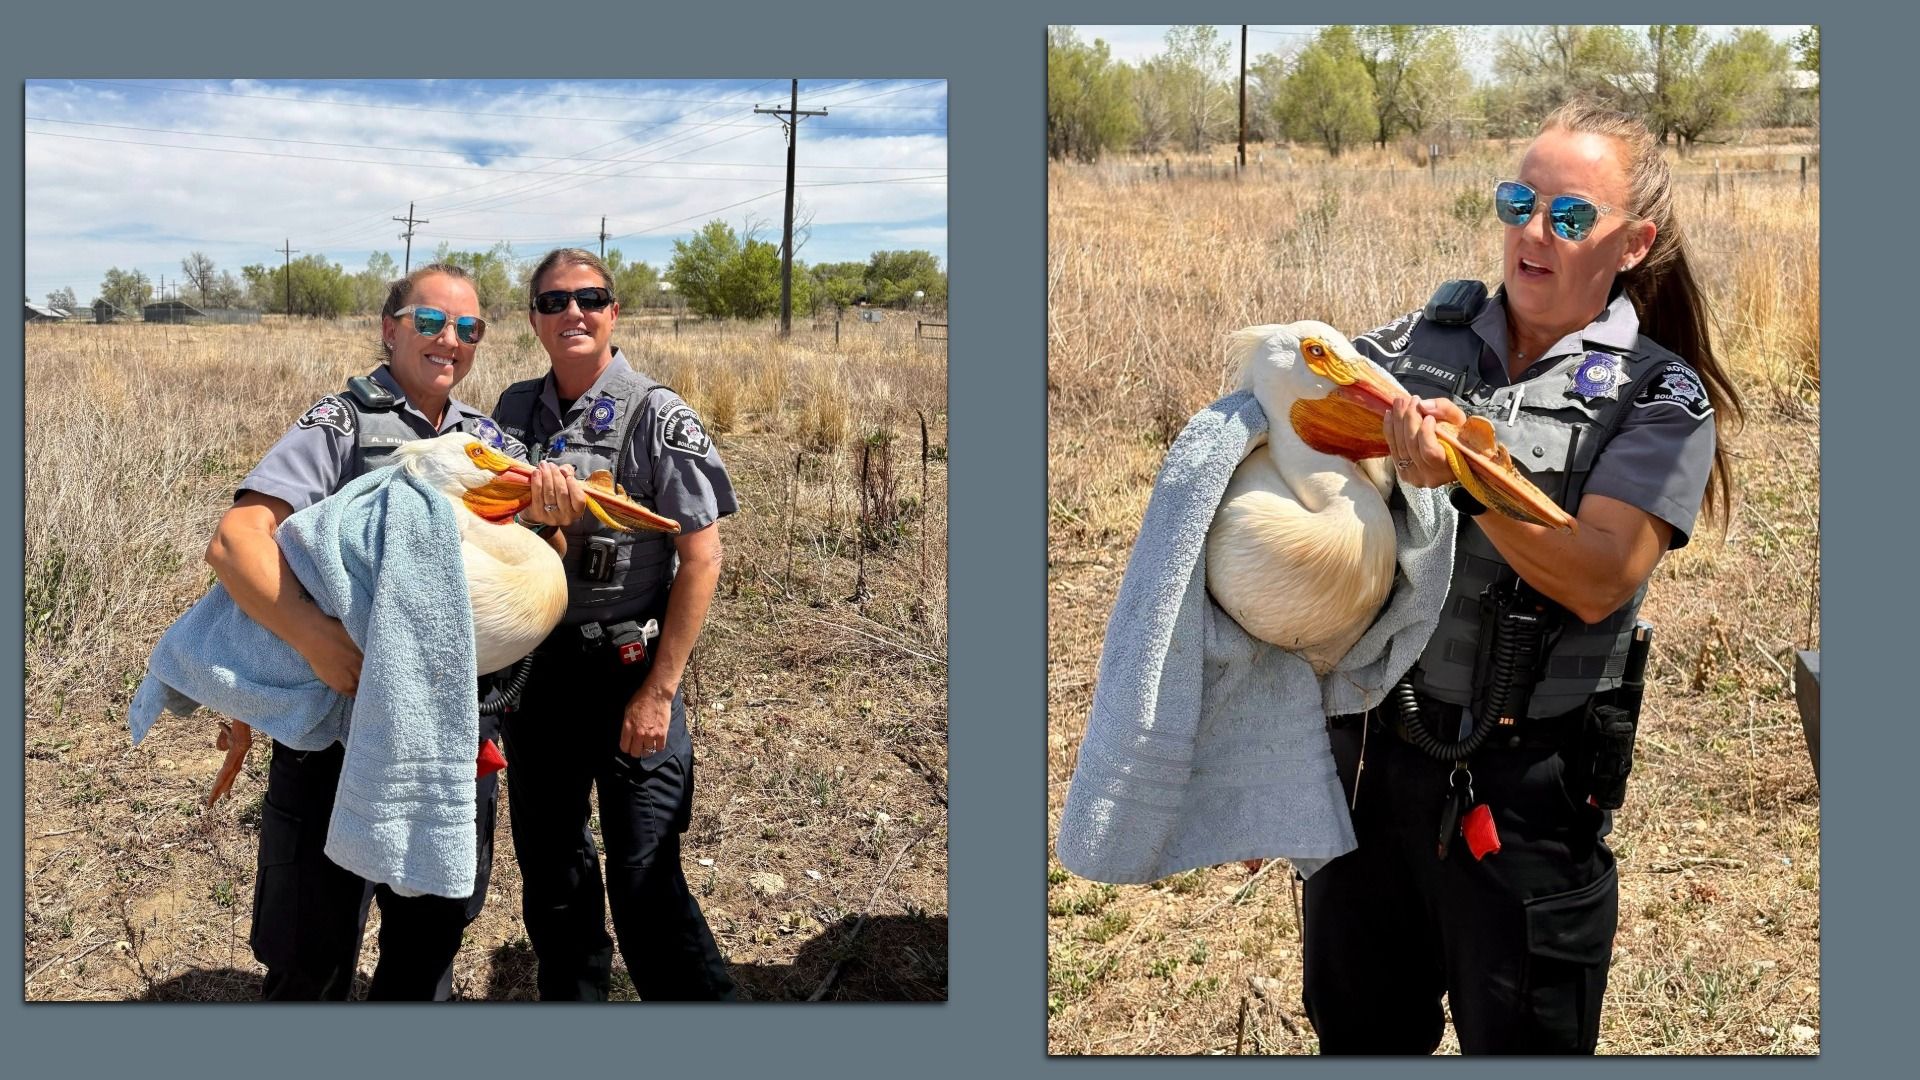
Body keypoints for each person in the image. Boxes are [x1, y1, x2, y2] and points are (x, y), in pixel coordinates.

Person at [1296, 101, 1743, 1053]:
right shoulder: (1422, 340)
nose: (1532, 234)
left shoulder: (1659, 396)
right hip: (1373, 765)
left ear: (1634, 244)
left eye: (1570, 217)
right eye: (1517, 202)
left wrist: (1459, 476)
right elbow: (1303, 407)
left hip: (1529, 793)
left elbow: (1600, 574)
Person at [203, 263, 586, 1000]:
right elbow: (237, 542)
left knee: (426, 949)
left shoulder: (484, 439)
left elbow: (511, 569)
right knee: (311, 955)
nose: (452, 339)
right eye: (431, 322)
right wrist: (315, 639)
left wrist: (551, 530)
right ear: (389, 328)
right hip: (339, 736)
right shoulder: (342, 424)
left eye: (469, 328)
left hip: (450, 734)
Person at [491, 247, 738, 1001]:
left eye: (590, 298)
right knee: (554, 872)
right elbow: (497, 539)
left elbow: (700, 560)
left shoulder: (656, 415)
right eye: (555, 301)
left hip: (630, 671)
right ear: (534, 319)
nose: (574, 313)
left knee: (644, 878)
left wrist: (660, 693)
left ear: (613, 313)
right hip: (540, 674)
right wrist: (542, 522)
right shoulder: (511, 412)